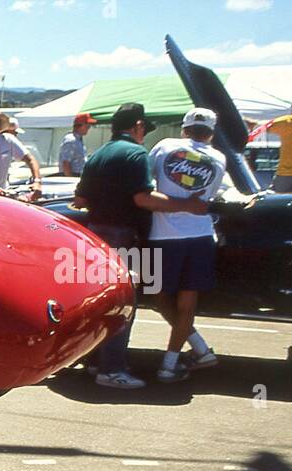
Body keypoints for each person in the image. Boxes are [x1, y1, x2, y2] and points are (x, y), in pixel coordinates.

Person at [73, 102, 209, 389]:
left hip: (96, 234)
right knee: (123, 304)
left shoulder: (99, 154)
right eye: (143, 128)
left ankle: (96, 360)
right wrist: (189, 205)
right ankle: (111, 369)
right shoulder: (136, 153)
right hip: (125, 235)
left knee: (102, 302)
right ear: (137, 126)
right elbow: (143, 199)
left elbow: (81, 200)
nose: (143, 134)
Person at [147, 108, 227, 382]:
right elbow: (208, 197)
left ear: (184, 128)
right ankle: (177, 361)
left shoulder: (164, 146)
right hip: (200, 236)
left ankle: (189, 354)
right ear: (211, 132)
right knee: (186, 305)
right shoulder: (218, 158)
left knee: (159, 298)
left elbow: (147, 186)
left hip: (163, 236)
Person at [59, 113, 98, 177]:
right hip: (73, 176)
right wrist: (70, 179)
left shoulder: (78, 140)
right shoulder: (71, 140)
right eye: (87, 126)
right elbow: (66, 163)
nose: (89, 128)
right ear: (79, 125)